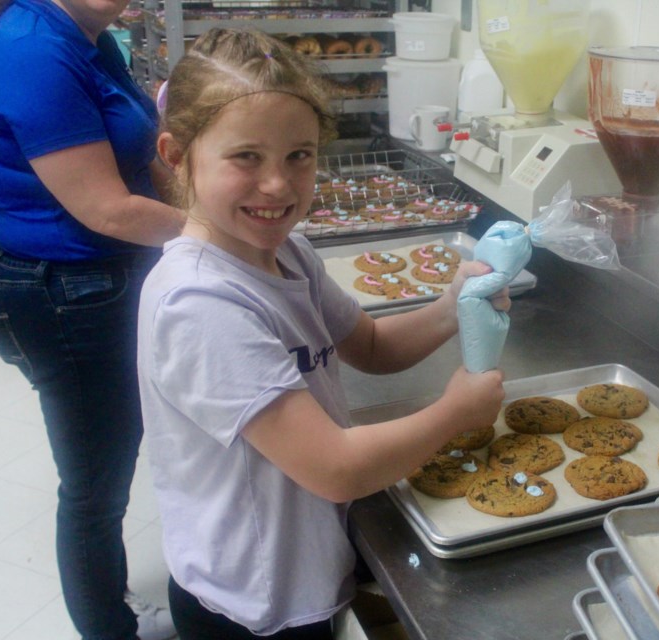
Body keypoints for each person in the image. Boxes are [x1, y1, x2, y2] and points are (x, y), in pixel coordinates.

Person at [137, 28, 508, 639]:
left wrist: (452, 306)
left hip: (303, 566)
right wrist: (455, 413)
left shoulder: (291, 254)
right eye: (245, 157)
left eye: (299, 155)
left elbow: (370, 347)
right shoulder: (200, 302)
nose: (278, 184)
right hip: (250, 602)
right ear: (177, 155)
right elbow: (335, 468)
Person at [0, 0, 185, 638]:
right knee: (95, 483)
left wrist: (203, 206)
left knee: (120, 453)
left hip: (114, 277)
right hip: (69, 292)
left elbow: (142, 156)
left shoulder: (93, 38)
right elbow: (107, 209)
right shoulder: (33, 49)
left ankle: (110, 604)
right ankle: (106, 628)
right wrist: (232, 233)